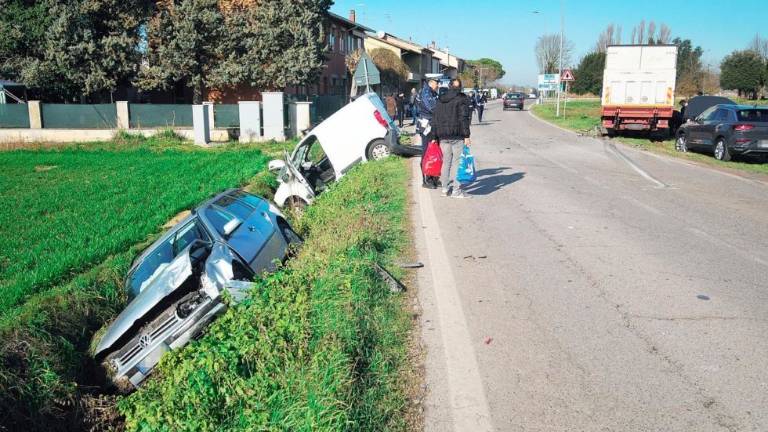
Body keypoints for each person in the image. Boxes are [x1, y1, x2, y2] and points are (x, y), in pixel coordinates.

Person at [433, 78, 471, 198]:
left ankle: (444, 188)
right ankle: (456, 190)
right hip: (457, 135)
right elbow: (464, 118)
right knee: (457, 163)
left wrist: (434, 136)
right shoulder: (462, 99)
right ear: (460, 87)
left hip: (443, 135)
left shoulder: (440, 99)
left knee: (446, 162)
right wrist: (467, 135)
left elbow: (435, 118)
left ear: (449, 86)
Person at [417, 78, 440, 188]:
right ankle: (426, 180)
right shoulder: (425, 92)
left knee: (434, 151)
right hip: (427, 125)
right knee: (426, 152)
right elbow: (432, 108)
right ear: (431, 83)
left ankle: (433, 176)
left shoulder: (432, 92)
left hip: (433, 124)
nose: (438, 85)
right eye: (437, 83)